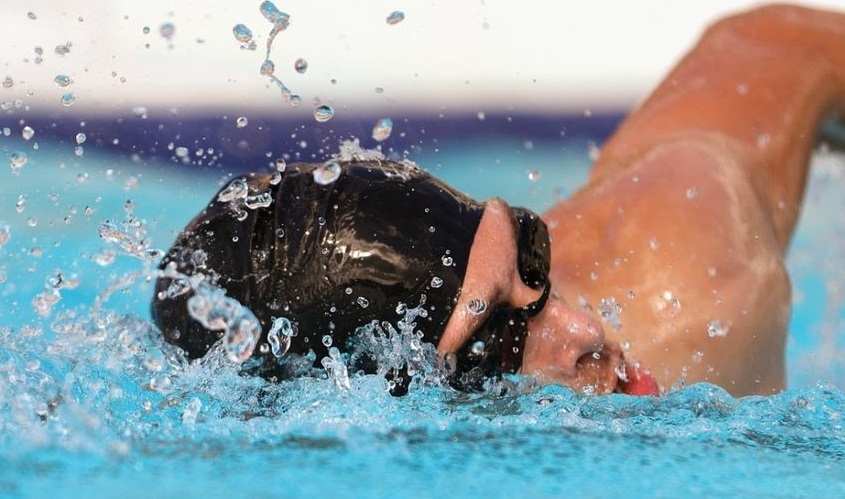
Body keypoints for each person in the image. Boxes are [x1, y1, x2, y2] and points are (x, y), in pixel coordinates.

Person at [152, 4, 845, 397]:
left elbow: (768, 46)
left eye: (531, 258)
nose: (582, 332)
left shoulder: (696, 282)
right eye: (499, 342)